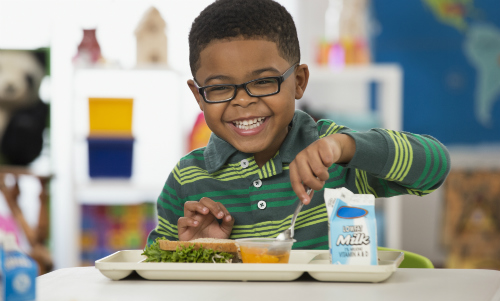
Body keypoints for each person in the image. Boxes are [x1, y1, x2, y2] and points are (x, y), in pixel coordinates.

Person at [146, 0, 450, 249]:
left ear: (299, 82)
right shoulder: (187, 180)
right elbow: (156, 275)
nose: (242, 101)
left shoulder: (334, 157)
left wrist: (344, 147)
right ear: (199, 97)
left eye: (264, 82)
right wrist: (193, 252)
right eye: (220, 88)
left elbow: (435, 167)